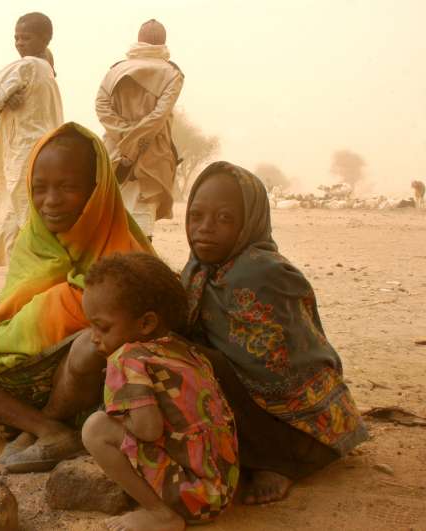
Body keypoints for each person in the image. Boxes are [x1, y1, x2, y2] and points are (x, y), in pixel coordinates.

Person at [0, 123, 152, 472]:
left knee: (88, 345)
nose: (50, 201)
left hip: (77, 385)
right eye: (39, 189)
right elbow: (9, 321)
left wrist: (68, 303)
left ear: (98, 189)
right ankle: (45, 429)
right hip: (17, 366)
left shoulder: (127, 252)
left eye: (67, 187)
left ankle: (43, 421)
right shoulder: (32, 240)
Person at [181, 162, 368, 504]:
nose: (204, 229)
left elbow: (282, 371)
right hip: (249, 406)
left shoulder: (265, 273)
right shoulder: (198, 269)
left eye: (224, 219)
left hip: (302, 428)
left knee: (196, 362)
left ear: (249, 222)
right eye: (196, 216)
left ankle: (277, 464)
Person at [81, 253, 238, 531]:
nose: (93, 337)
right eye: (90, 326)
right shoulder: (184, 349)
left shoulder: (127, 359)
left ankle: (161, 514)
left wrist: (116, 419)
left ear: (145, 323)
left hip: (193, 499)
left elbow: (148, 430)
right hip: (222, 487)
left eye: (102, 327)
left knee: (95, 429)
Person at [0, 12, 64, 266]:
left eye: (26, 37)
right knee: (28, 213)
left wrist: (2, 101)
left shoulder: (26, 66)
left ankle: (26, 274)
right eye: (16, 37)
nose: (19, 43)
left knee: (22, 213)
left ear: (45, 39)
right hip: (45, 150)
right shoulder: (47, 71)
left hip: (24, 152)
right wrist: (7, 100)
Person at [95, 19, 183, 240]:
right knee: (143, 224)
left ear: (139, 39)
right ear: (163, 42)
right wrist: (135, 143)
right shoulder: (173, 74)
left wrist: (124, 138)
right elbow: (158, 117)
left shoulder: (115, 70)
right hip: (152, 153)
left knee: (114, 216)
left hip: (115, 153)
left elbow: (102, 108)